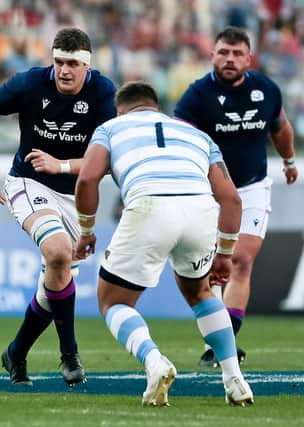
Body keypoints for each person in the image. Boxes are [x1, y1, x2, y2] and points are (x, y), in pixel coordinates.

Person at [75, 81, 253, 407]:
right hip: (200, 209)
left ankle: (154, 362)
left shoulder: (110, 128)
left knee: (113, 301)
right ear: (155, 106)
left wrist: (86, 230)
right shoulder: (197, 135)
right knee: (200, 293)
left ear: (121, 109)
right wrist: (225, 254)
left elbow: (87, 178)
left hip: (149, 205)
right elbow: (231, 199)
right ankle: (234, 377)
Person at [0, 27, 116, 386]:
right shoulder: (30, 83)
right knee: (56, 253)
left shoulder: (103, 93)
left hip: (76, 195)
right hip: (29, 182)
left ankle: (17, 352)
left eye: (72, 63)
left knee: (56, 277)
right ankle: (69, 354)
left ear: (87, 65)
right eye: (58, 62)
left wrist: (62, 164)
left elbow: (108, 157)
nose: (64, 70)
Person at [174, 26, 298, 367]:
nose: (229, 59)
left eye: (237, 53)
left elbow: (281, 128)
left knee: (241, 261)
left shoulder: (267, 90)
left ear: (249, 58)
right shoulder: (197, 96)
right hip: (209, 193)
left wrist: (288, 161)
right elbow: (180, 141)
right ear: (212, 55)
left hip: (254, 187)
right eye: (223, 53)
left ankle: (224, 341)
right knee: (211, 270)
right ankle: (220, 340)